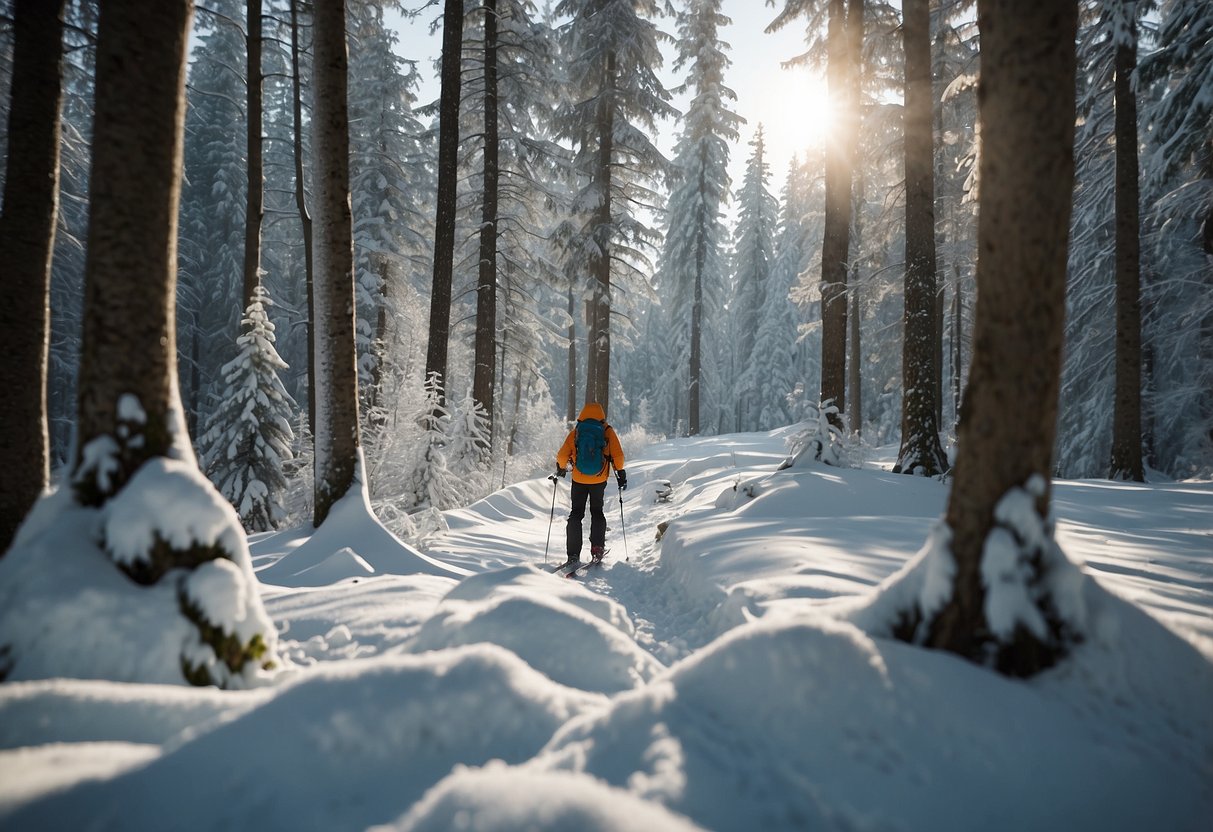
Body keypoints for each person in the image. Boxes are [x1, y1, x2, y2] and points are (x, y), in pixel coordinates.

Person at [555, 402, 626, 566]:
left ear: (582, 414)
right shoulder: (607, 431)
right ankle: (597, 548)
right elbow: (618, 457)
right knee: (597, 512)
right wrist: (620, 472)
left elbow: (561, 455)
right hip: (599, 479)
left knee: (576, 514)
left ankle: (573, 554)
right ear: (602, 415)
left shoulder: (577, 432)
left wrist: (561, 467)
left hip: (579, 479)